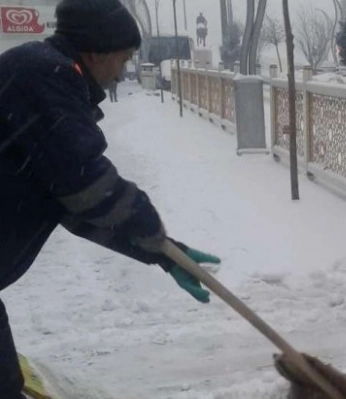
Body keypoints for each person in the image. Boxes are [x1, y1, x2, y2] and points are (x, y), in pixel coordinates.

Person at [0, 1, 220, 396]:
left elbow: (73, 205)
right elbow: (86, 185)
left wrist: (163, 253)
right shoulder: (44, 74)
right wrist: (150, 227)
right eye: (124, 58)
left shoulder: (45, 73)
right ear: (96, 50)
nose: (122, 71)